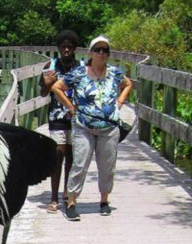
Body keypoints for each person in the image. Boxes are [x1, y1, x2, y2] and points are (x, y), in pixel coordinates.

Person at [51, 35, 133, 221]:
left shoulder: (114, 73)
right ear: (91, 52)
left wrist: (120, 101)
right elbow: (57, 87)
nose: (101, 53)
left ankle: (104, 201)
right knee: (80, 164)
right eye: (98, 50)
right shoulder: (79, 72)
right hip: (83, 127)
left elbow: (128, 84)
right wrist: (71, 108)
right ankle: (71, 202)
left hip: (109, 128)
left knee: (107, 167)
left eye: (105, 50)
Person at [39, 29, 81, 213]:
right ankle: (54, 198)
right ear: (58, 48)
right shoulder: (51, 65)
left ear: (74, 49)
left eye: (69, 47)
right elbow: (42, 93)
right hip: (56, 117)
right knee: (57, 156)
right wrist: (48, 83)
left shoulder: (81, 67)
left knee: (72, 158)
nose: (66, 50)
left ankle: (67, 193)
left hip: (76, 118)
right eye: (63, 47)